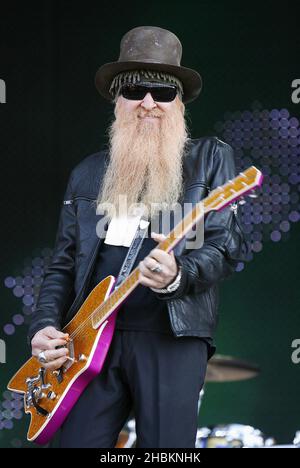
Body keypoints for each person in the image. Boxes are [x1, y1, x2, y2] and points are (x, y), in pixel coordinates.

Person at [28, 26, 245, 448]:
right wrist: (44, 327)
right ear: (117, 101)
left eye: (163, 93)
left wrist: (178, 275)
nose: (148, 103)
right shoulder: (88, 173)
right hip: (88, 340)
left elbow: (226, 246)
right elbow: (63, 264)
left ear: (178, 103)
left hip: (172, 336)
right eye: (135, 91)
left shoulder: (210, 159)